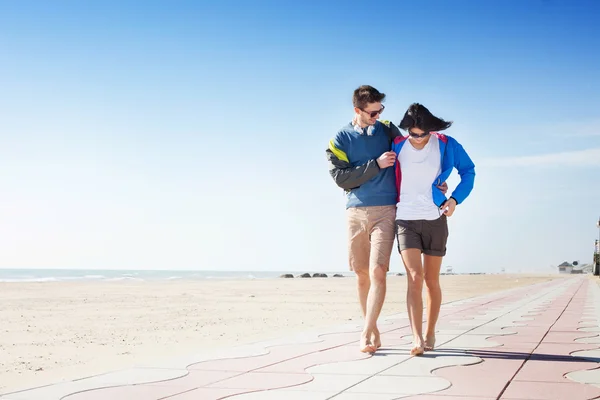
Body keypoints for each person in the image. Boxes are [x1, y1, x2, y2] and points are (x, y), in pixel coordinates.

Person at [325, 86, 446, 353]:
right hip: (355, 211)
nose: (377, 116)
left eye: (380, 110)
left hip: (387, 210)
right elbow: (340, 178)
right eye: (372, 112)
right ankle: (374, 329)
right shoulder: (340, 139)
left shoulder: (388, 129)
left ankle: (365, 332)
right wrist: (376, 165)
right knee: (361, 274)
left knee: (379, 270)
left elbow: (412, 153)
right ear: (357, 110)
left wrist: (437, 182)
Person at [391, 103, 475, 355]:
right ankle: (416, 337)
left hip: (435, 218)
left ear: (431, 130)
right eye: (412, 133)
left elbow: (469, 171)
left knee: (431, 281)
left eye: (422, 134)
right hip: (405, 219)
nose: (417, 139)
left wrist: (454, 199)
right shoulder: (397, 145)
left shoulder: (446, 144)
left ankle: (430, 332)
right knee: (414, 278)